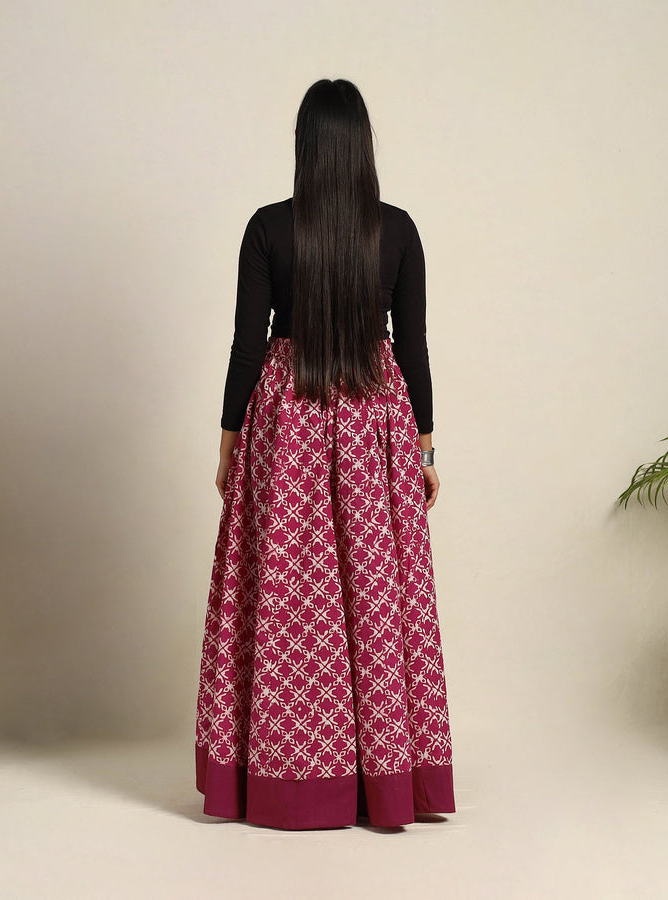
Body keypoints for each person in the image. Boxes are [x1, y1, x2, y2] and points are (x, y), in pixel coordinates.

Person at [195, 78, 456, 830]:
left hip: (289, 421)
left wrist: (230, 442)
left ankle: (281, 777)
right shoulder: (398, 230)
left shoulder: (268, 228)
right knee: (376, 593)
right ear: (363, 146)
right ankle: (384, 780)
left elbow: (248, 346)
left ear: (305, 147)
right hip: (377, 419)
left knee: (286, 597)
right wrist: (425, 447)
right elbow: (413, 347)